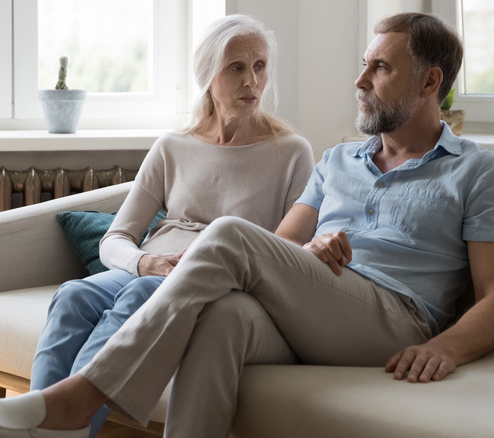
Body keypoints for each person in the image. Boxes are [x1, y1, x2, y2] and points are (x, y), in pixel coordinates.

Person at [0, 12, 494, 438]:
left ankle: (76, 404)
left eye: (380, 68)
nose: (360, 81)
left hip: (397, 319)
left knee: (225, 232)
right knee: (222, 316)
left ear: (430, 82)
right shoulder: (337, 161)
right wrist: (310, 258)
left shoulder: (478, 171)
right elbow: (274, 251)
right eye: (363, 65)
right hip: (325, 308)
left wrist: (447, 348)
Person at [23, 13, 314, 438]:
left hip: (214, 281)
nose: (251, 81)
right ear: (207, 76)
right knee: (72, 294)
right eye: (236, 68)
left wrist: (161, 275)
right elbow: (115, 239)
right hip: (153, 270)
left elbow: (288, 254)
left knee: (141, 294)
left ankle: (64, 424)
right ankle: (35, 422)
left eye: (260, 66)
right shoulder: (172, 147)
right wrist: (147, 263)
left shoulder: (291, 152)